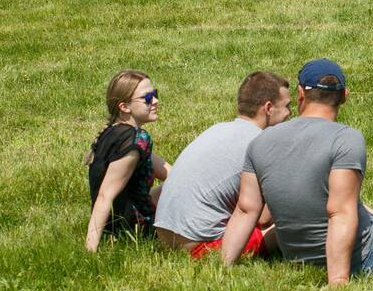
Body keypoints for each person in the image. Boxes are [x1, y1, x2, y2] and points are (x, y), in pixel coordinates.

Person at [222, 59, 373, 286]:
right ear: (345, 96)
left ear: (300, 94)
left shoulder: (261, 142)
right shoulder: (345, 139)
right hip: (366, 256)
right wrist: (337, 281)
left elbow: (246, 210)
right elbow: (340, 212)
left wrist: (224, 267)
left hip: (295, 256)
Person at [154, 71, 291, 258]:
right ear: (268, 108)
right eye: (286, 107)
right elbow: (263, 218)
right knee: (289, 225)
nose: (289, 114)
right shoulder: (262, 144)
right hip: (200, 245)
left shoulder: (217, 129)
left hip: (164, 233)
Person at [85, 70, 170, 252]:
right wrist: (90, 250)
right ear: (124, 107)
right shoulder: (136, 139)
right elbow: (104, 196)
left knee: (177, 184)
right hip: (135, 231)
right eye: (147, 97)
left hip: (117, 229)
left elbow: (173, 175)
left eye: (154, 94)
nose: (155, 101)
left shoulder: (111, 132)